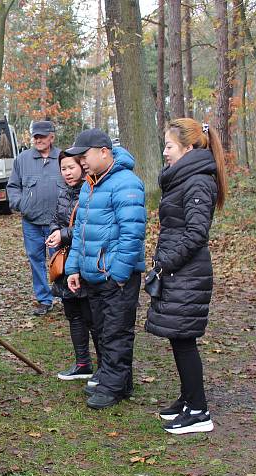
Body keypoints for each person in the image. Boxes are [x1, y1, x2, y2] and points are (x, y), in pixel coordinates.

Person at [145, 119, 226, 434]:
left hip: (187, 272)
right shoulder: (185, 179)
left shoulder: (197, 182)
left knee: (184, 340)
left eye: (169, 146)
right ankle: (188, 398)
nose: (164, 152)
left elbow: (195, 234)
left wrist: (165, 263)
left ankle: (199, 411)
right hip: (179, 270)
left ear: (189, 148)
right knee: (179, 338)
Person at [64, 128, 146, 409]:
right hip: (93, 274)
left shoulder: (126, 183)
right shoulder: (90, 184)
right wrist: (73, 268)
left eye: (83, 156)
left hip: (116, 276)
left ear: (103, 152)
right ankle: (117, 380)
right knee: (102, 329)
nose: (81, 162)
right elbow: (80, 232)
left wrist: (120, 274)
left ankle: (113, 387)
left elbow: (132, 233)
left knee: (116, 331)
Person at [46, 153, 100, 380]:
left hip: (85, 261)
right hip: (66, 263)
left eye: (71, 167)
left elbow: (89, 227)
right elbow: (56, 219)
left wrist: (64, 235)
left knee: (92, 317)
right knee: (73, 314)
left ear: (82, 166)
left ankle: (104, 366)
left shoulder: (92, 190)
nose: (67, 172)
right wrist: (53, 233)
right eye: (63, 169)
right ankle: (82, 364)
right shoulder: (63, 192)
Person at [6, 120, 63, 316]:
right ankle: (44, 300)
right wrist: (21, 204)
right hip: (31, 222)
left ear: (51, 137)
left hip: (58, 223)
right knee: (36, 260)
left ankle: (65, 296)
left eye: (42, 136)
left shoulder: (63, 158)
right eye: (35, 136)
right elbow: (13, 187)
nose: (38, 140)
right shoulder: (22, 159)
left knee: (60, 259)